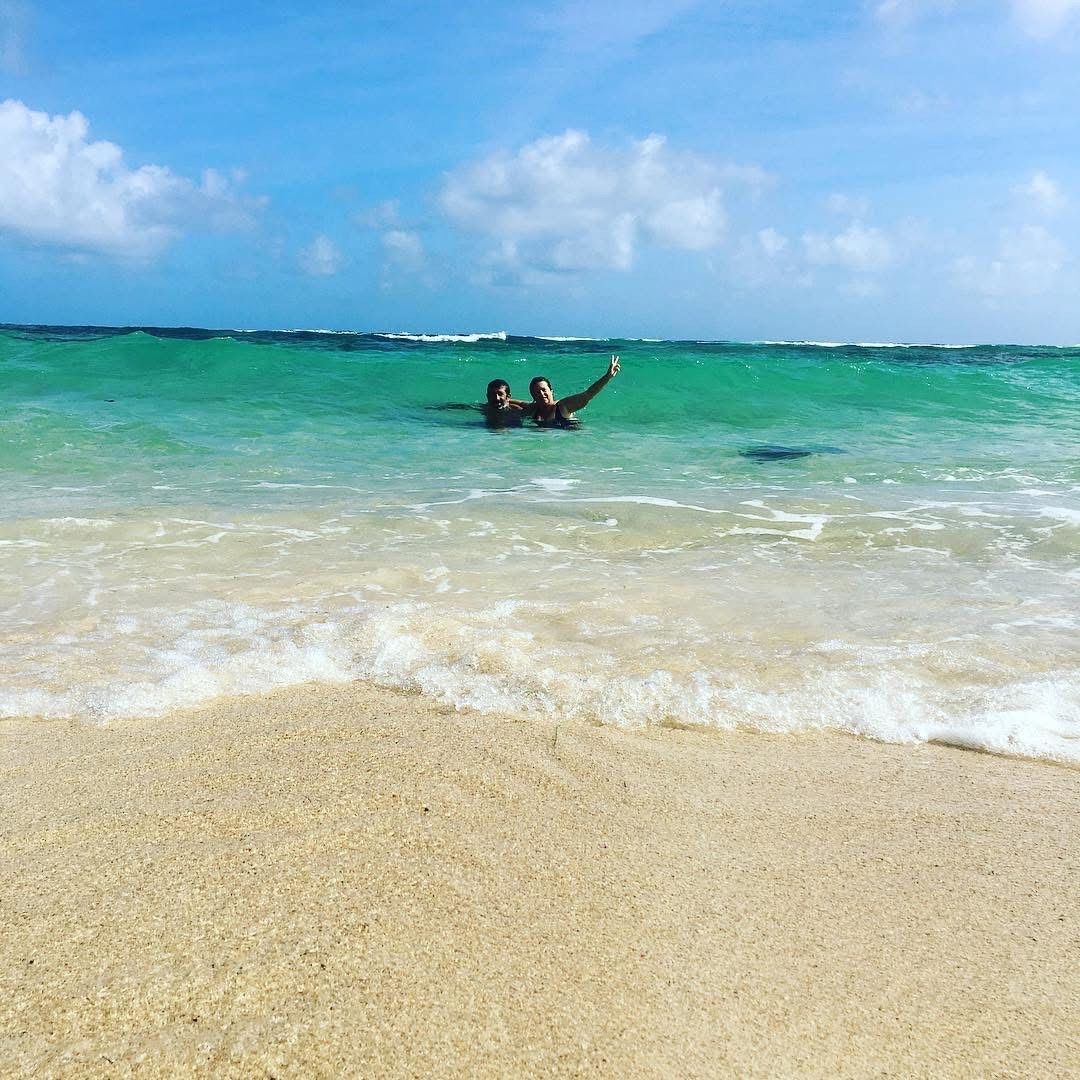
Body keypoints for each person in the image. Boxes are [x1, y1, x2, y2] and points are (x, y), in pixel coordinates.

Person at [526, 355, 620, 428]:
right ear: (533, 396)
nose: (542, 394)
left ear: (551, 391)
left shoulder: (563, 406)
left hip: (574, 443)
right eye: (537, 392)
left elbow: (588, 394)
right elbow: (515, 403)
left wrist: (607, 376)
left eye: (544, 390)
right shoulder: (534, 410)